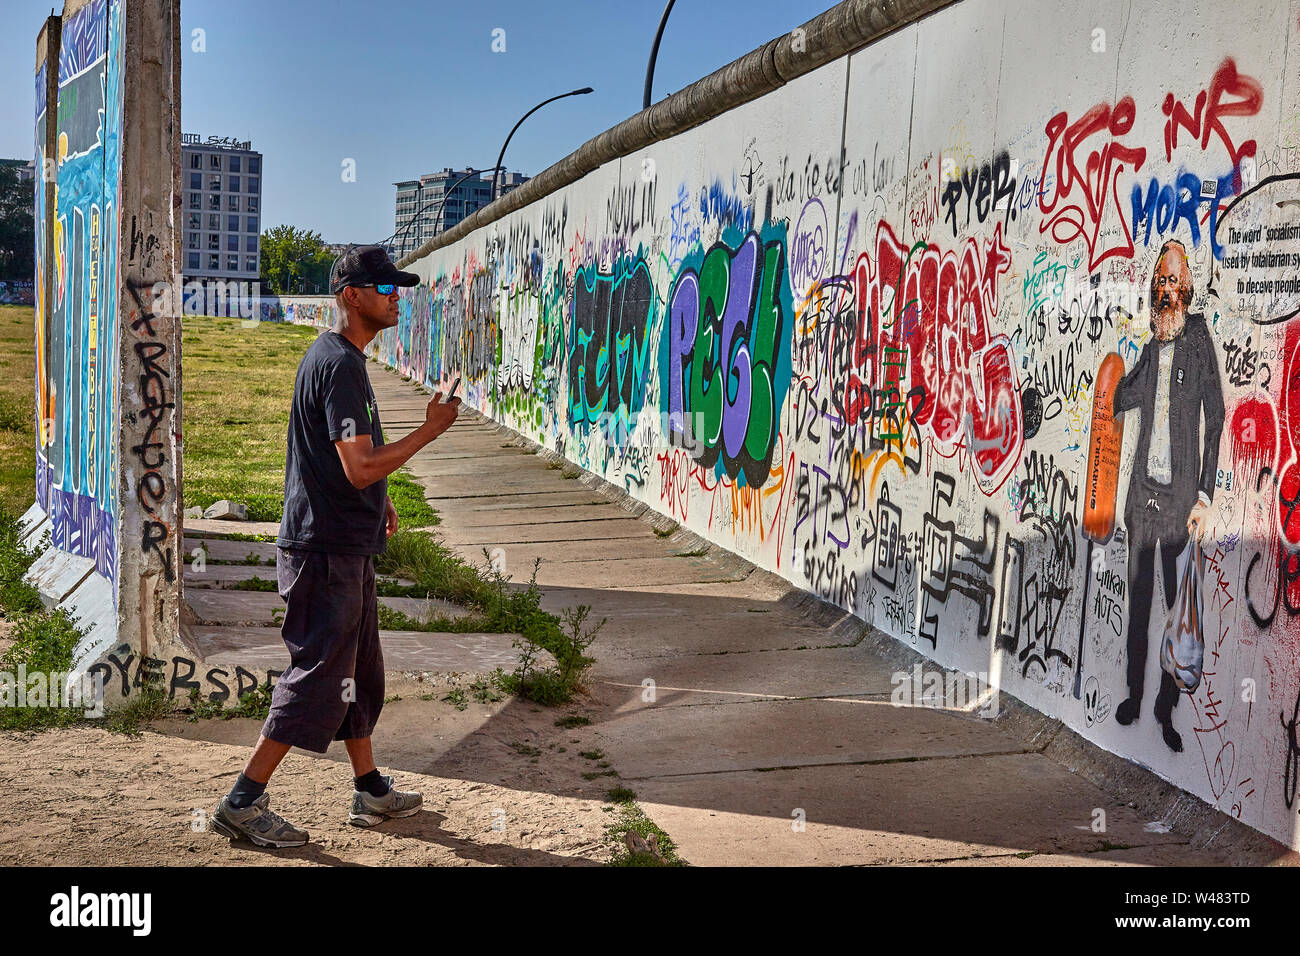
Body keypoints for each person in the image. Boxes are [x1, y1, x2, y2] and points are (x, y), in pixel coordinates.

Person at [210, 245, 461, 847]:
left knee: (358, 671)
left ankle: (369, 788)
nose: (395, 296)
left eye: (397, 287)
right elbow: (359, 466)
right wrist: (430, 429)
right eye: (383, 287)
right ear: (352, 294)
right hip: (323, 551)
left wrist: (381, 499)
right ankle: (242, 801)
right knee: (319, 673)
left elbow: (343, 461)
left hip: (342, 542)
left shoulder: (338, 357)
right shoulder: (341, 365)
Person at [1110, 239, 1224, 753]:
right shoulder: (1152, 347)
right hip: (1142, 500)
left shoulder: (1198, 338)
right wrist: (1113, 376)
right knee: (1138, 605)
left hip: (1180, 503)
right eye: (1159, 279)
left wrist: (1205, 493)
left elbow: (1217, 416)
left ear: (1189, 288)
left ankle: (1167, 708)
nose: (1165, 287)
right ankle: (1135, 696)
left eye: (1173, 280)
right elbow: (1126, 395)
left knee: (1178, 608)